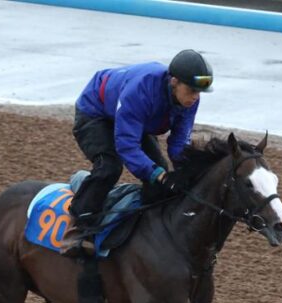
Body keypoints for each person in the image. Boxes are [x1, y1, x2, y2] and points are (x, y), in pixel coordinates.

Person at [59, 49, 213, 257]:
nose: (195, 97)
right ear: (174, 81)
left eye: (200, 92)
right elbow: (127, 146)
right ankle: (78, 228)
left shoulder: (189, 101)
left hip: (133, 121)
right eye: (192, 90)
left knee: (161, 174)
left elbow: (178, 144)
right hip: (95, 114)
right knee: (110, 166)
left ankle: (146, 229)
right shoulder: (140, 90)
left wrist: (186, 171)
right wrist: (157, 174)